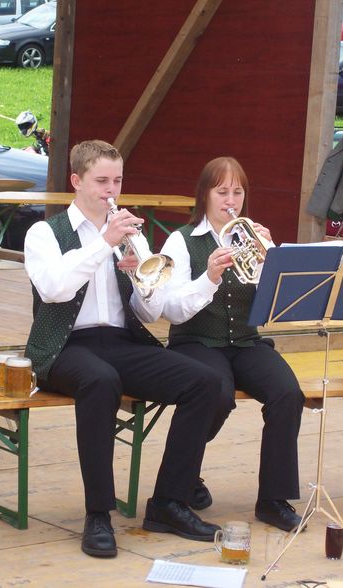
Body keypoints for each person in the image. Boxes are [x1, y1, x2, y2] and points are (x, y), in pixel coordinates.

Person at [24, 139, 223, 558]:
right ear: (76, 181)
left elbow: (149, 313)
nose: (110, 190)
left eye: (116, 180)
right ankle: (98, 513)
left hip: (120, 339)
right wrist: (102, 243)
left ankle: (168, 501)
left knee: (205, 382)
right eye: (100, 181)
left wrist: (139, 280)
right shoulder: (45, 232)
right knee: (100, 381)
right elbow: (54, 289)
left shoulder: (129, 235)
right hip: (63, 345)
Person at [160, 156, 305, 532]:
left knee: (287, 393)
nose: (231, 199)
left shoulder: (252, 237)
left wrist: (270, 258)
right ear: (204, 195)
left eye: (237, 191)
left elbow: (274, 306)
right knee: (217, 394)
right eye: (222, 190)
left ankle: (273, 499)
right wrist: (208, 276)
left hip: (245, 340)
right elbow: (172, 310)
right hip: (194, 340)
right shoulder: (181, 240)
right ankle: (184, 476)